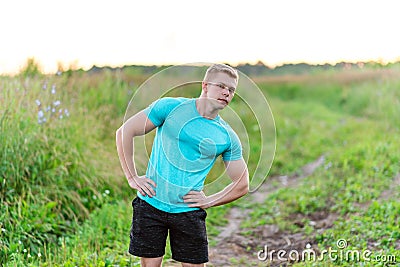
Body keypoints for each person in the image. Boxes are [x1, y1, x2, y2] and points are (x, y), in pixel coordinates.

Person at [116, 63, 249, 267]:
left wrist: (209, 201)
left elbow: (242, 184)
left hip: (188, 212)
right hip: (151, 204)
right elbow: (125, 132)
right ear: (205, 85)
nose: (226, 92)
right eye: (221, 86)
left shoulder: (227, 136)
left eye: (231, 89)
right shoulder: (170, 108)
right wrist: (132, 177)